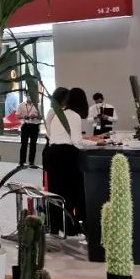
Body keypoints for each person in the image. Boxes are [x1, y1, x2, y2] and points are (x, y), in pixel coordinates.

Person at [44, 87, 94, 236]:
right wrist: (95, 143)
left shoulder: (56, 114)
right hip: (66, 156)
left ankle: (56, 225)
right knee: (71, 191)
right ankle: (70, 227)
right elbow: (76, 141)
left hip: (53, 153)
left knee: (55, 191)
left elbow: (54, 135)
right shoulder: (74, 115)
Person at [16, 93, 42, 168]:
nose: (30, 97)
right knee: (24, 144)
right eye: (28, 95)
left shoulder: (38, 105)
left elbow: (41, 117)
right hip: (25, 126)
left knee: (33, 144)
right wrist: (23, 116)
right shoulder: (21, 105)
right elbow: (17, 116)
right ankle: (21, 162)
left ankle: (31, 162)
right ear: (26, 96)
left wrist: (36, 116)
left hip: (35, 126)